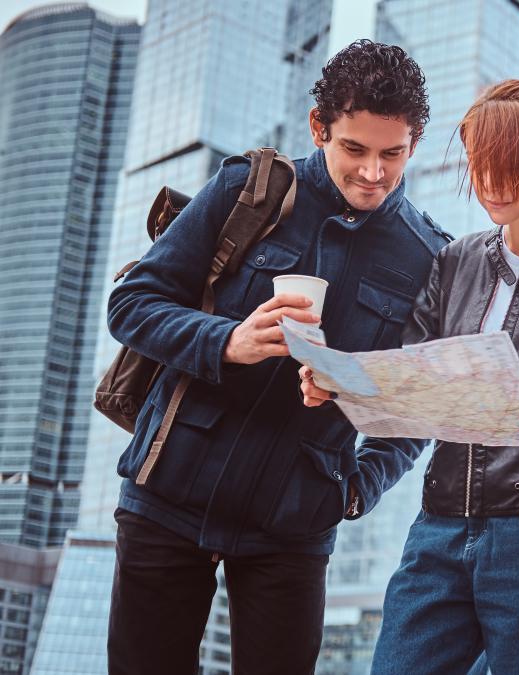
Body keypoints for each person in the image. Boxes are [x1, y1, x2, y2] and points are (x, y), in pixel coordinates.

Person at [104, 40, 450, 674]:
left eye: (391, 154)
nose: (373, 173)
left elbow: (415, 409)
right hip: (170, 494)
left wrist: (355, 490)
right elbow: (131, 305)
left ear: (414, 144)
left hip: (294, 525)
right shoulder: (250, 191)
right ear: (320, 128)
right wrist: (227, 341)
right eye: (354, 149)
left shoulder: (427, 257)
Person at [300, 79, 519, 675]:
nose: (490, 183)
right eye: (479, 166)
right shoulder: (455, 260)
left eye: (509, 166)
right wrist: (343, 389)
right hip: (438, 529)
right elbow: (415, 383)